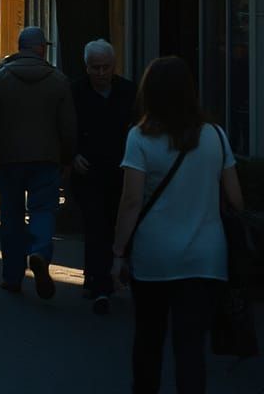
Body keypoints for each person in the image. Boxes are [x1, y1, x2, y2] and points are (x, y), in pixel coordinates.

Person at [111, 56, 243, 394]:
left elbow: (131, 201)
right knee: (191, 348)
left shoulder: (139, 137)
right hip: (206, 257)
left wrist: (119, 252)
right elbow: (235, 199)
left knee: (148, 339)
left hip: (154, 256)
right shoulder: (215, 135)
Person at [0, 26, 76, 298]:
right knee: (43, 210)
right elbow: (68, 125)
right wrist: (67, 157)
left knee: (11, 216)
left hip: (9, 159)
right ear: (41, 49)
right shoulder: (58, 80)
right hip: (47, 158)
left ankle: (12, 276)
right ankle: (40, 252)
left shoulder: (1, 78)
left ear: (19, 47)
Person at [70, 39, 136, 314]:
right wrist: (72, 154)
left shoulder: (128, 91)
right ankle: (100, 284)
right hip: (89, 171)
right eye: (95, 67)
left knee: (113, 223)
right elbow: (65, 127)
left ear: (114, 65)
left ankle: (104, 274)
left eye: (105, 67)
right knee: (95, 225)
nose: (100, 73)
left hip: (121, 170)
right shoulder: (75, 91)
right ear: (86, 67)